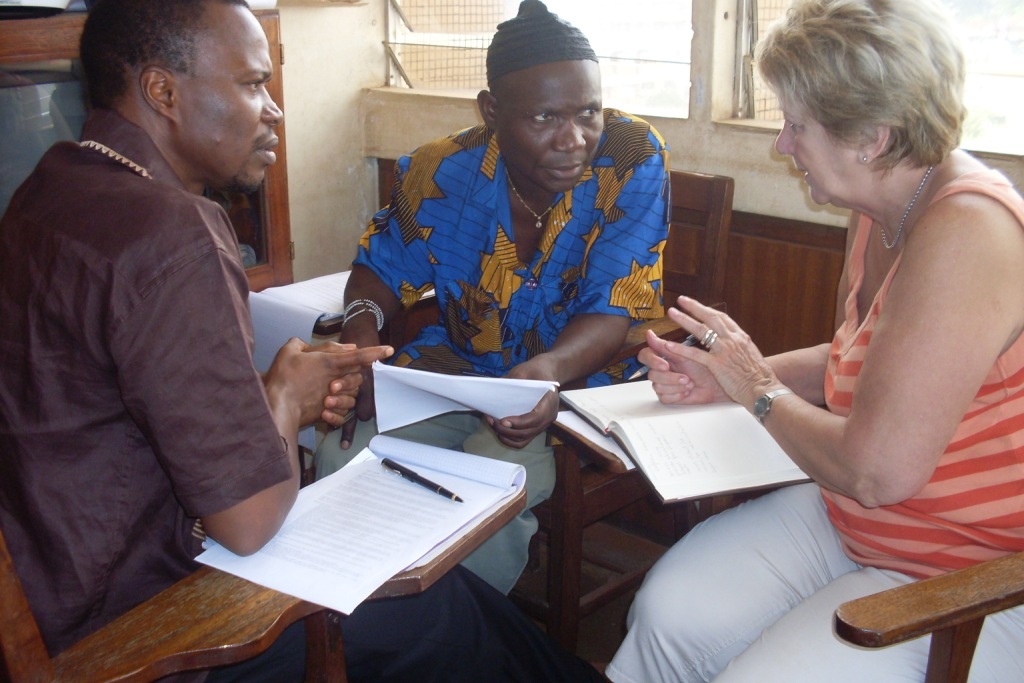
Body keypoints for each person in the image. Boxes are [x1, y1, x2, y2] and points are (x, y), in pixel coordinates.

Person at [0, 1, 605, 681]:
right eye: (253, 84)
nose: (275, 110)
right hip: (139, 620)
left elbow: (137, 407)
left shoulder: (51, 184)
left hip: (58, 577)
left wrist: (278, 389)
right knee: (440, 610)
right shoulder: (172, 235)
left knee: (450, 602)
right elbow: (250, 523)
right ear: (163, 92)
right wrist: (285, 399)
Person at [606, 1, 1024, 681]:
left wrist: (758, 389)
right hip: (856, 520)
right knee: (668, 611)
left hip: (971, 570)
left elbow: (877, 470)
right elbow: (861, 361)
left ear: (874, 138)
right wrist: (731, 374)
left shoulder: (968, 235)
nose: (782, 145)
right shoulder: (880, 207)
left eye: (796, 125)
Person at [315, 0, 671, 594]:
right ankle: (362, 616)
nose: (575, 139)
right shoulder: (440, 171)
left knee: (487, 483)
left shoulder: (631, 158)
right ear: (492, 111)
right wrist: (361, 341)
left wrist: (545, 375)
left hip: (577, 385)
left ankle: (464, 636)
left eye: (589, 110)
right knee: (340, 457)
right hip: (454, 371)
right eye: (544, 117)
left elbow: (612, 308)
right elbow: (378, 271)